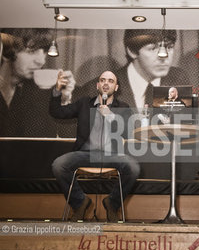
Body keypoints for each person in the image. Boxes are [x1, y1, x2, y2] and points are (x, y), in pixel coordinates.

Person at [50, 70, 140, 222]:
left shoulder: (123, 107)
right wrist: (57, 89)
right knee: (58, 165)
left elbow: (128, 133)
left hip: (112, 155)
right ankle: (80, 203)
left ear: (116, 87)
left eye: (110, 81)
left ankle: (112, 203)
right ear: (98, 85)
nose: (106, 83)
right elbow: (57, 112)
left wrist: (111, 116)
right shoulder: (84, 103)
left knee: (134, 168)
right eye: (103, 80)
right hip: (85, 154)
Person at [79, 29, 189, 111]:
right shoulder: (96, 90)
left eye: (169, 47)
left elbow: (187, 131)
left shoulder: (179, 79)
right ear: (132, 51)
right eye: (152, 48)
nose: (163, 56)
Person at [0, 29, 57, 137]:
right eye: (31, 51)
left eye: (44, 51)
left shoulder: (37, 94)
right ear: (7, 52)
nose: (42, 61)